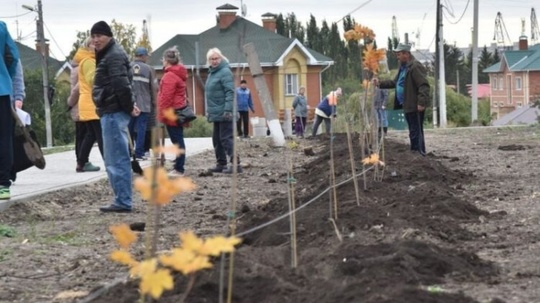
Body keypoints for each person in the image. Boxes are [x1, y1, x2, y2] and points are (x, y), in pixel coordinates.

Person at [91, 21, 140, 212]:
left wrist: (128, 107)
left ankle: (123, 201)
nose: (95, 40)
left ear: (109, 36)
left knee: (116, 158)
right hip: (111, 109)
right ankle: (122, 199)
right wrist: (130, 106)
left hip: (113, 111)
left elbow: (122, 85)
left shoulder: (112, 56)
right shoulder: (110, 53)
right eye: (93, 36)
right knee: (115, 157)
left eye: (99, 36)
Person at [374, 43, 429, 155]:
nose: (397, 57)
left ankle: (417, 153)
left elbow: (423, 85)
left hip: (414, 104)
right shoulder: (403, 68)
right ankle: (418, 152)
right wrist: (380, 83)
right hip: (407, 104)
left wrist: (421, 102)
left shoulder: (415, 66)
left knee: (415, 130)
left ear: (406, 54)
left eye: (399, 54)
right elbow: (395, 82)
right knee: (413, 130)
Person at [204, 47, 241, 174]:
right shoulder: (212, 72)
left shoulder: (225, 71)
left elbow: (230, 92)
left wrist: (228, 110)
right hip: (216, 112)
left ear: (221, 58)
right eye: (212, 59)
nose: (214, 61)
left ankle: (236, 164)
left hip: (226, 111)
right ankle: (221, 163)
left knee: (226, 138)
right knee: (217, 139)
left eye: (216, 58)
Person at [72, 37, 103, 172]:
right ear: (88, 46)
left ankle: (82, 162)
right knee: (99, 134)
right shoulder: (89, 61)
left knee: (91, 135)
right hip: (92, 103)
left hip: (88, 102)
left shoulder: (87, 60)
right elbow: (93, 81)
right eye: (93, 43)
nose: (97, 45)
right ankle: (109, 162)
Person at [158, 46, 188, 177]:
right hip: (179, 110)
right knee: (178, 138)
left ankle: (179, 168)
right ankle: (178, 163)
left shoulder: (169, 76)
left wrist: (163, 114)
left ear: (166, 60)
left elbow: (166, 98)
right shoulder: (178, 73)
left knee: (177, 140)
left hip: (172, 112)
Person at [0, 21, 20, 200]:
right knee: (4, 137)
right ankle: (3, 186)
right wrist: (6, 76)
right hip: (2, 89)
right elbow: (12, 56)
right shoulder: (1, 27)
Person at [129, 46, 157, 161]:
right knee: (141, 129)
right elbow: (153, 88)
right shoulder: (149, 69)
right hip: (144, 104)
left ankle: (129, 152)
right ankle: (140, 153)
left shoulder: (128, 67)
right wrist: (154, 102)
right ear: (143, 56)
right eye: (146, 56)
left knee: (129, 128)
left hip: (130, 104)